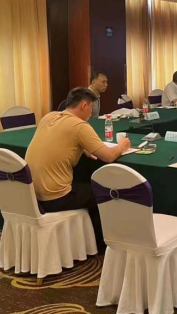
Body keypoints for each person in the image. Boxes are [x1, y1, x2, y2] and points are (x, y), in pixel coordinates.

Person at [25, 87, 130, 249]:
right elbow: (109, 156)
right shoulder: (80, 126)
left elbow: (59, 143)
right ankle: (102, 245)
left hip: (32, 195)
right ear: (84, 105)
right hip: (56, 198)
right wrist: (122, 145)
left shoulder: (48, 117)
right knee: (106, 192)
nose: (91, 114)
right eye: (91, 108)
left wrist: (83, 148)